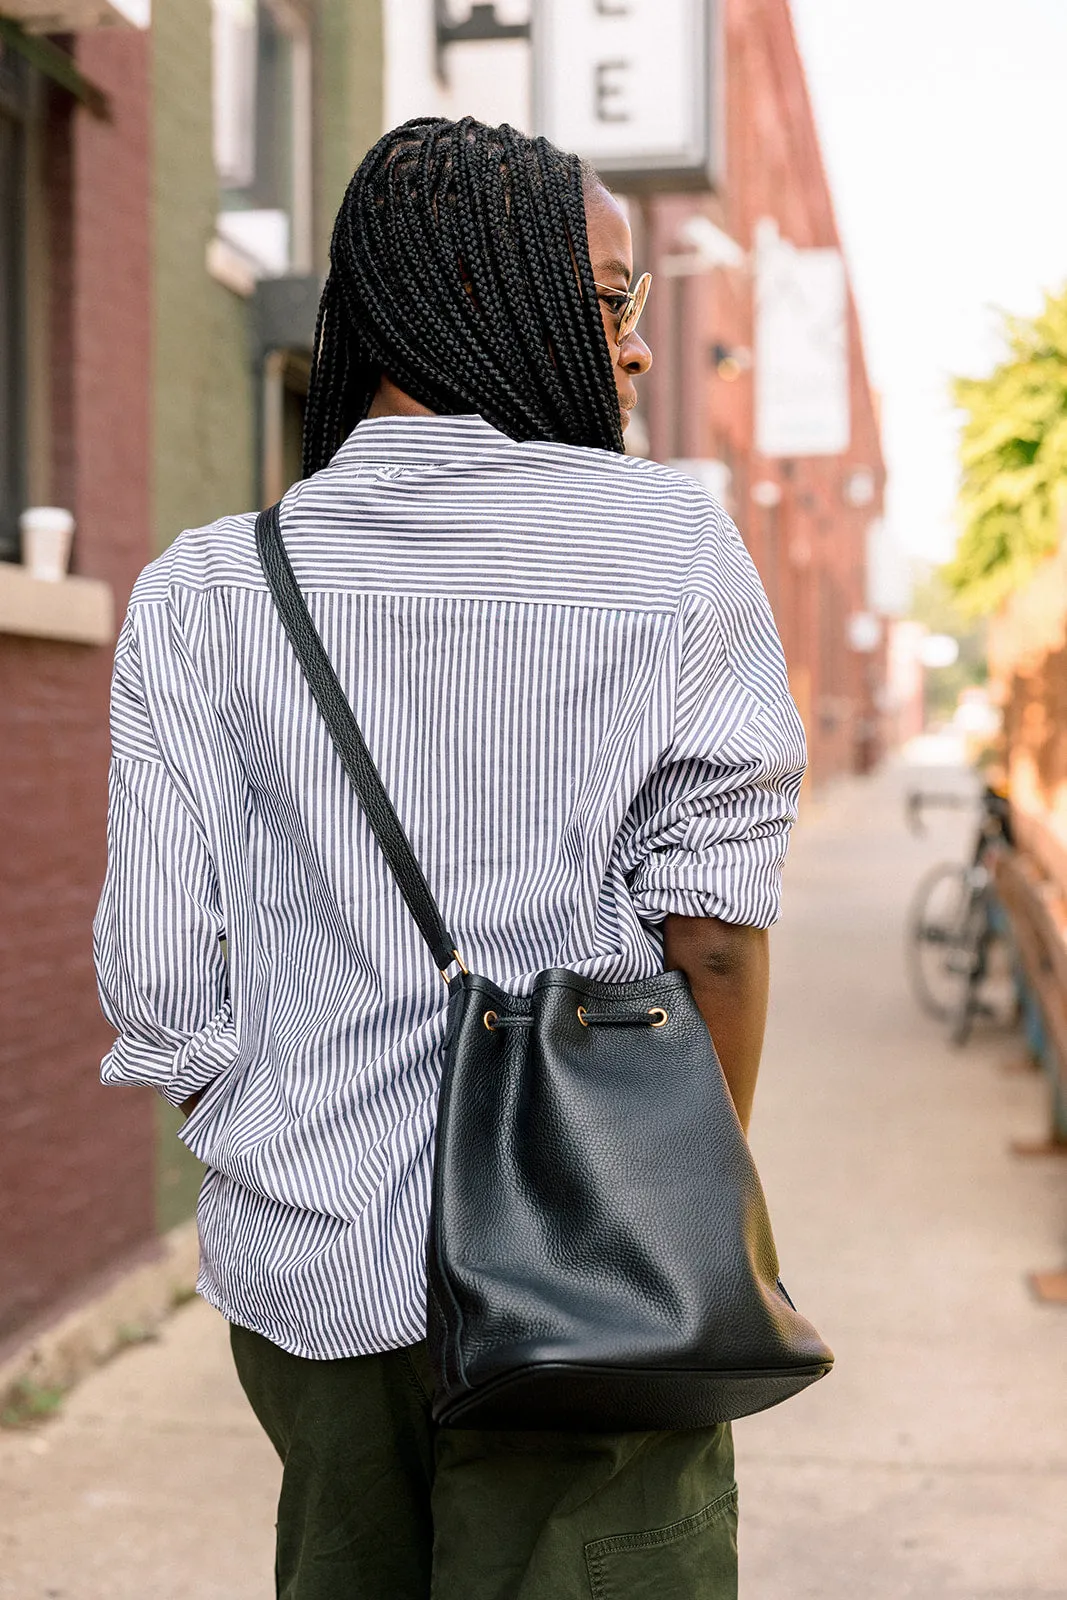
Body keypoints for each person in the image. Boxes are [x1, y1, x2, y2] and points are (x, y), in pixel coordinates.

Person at [94, 116, 805, 1600]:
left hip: (317, 1266)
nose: (633, 350)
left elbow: (159, 977)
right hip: (594, 1268)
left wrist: (278, 1122)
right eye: (614, 302)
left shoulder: (209, 587)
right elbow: (716, 936)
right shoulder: (672, 551)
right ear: (493, 297)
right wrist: (654, 1180)